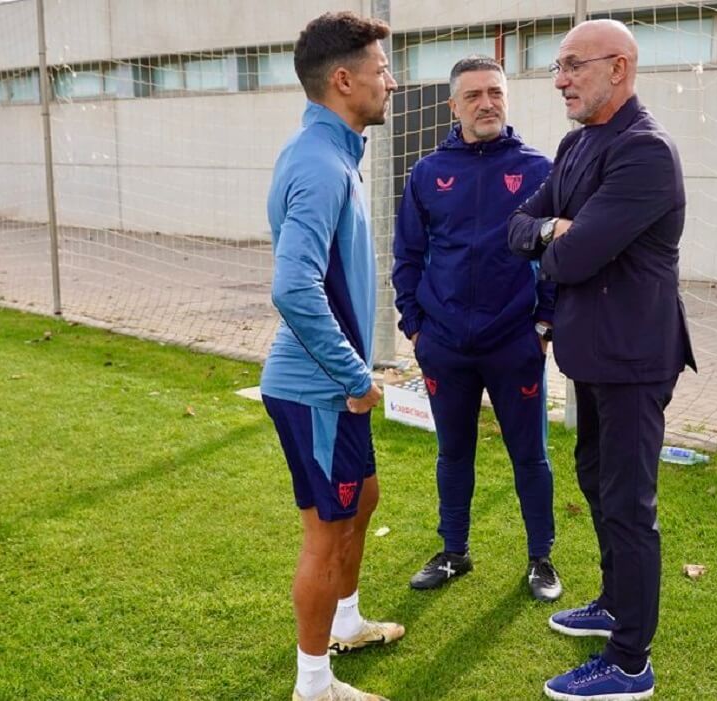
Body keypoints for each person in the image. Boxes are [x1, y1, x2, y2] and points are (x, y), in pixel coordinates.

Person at [507, 19, 697, 701]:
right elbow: (518, 226)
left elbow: (573, 254)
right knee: (595, 477)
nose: (559, 79)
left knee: (627, 502)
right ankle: (616, 602)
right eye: (558, 66)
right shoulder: (576, 143)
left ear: (619, 68)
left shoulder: (645, 152)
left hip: (636, 357)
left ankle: (629, 661)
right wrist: (556, 229)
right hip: (590, 355)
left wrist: (558, 235)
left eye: (573, 66)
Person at [260, 12, 404, 701]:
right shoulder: (320, 164)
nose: (391, 82)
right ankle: (313, 684)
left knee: (363, 496)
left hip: (329, 383)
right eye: (381, 71)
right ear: (343, 81)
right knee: (326, 529)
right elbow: (292, 285)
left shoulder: (331, 152)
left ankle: (346, 620)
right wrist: (353, 375)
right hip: (319, 387)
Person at [392, 56, 562, 602]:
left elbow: (561, 250)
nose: (486, 103)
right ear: (453, 106)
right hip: (444, 344)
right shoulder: (426, 173)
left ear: (507, 99)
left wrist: (544, 322)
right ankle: (453, 551)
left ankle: (541, 559)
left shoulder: (538, 169)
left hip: (515, 342)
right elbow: (408, 255)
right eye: (473, 95)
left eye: (495, 92)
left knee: (530, 454)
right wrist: (415, 327)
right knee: (453, 452)